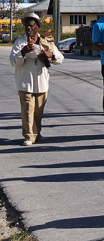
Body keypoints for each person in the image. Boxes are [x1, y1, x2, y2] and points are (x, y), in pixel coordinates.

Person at [10, 13, 63, 145]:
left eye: (31, 25)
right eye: (26, 25)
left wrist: (49, 55)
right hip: (25, 83)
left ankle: (36, 133)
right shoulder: (19, 43)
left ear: (37, 27)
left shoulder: (45, 41)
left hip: (41, 83)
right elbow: (13, 62)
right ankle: (28, 136)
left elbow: (60, 58)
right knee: (28, 109)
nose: (28, 28)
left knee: (38, 111)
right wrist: (23, 52)